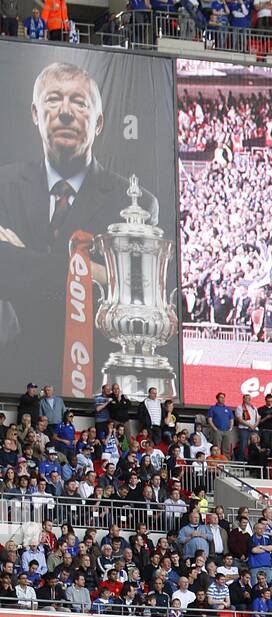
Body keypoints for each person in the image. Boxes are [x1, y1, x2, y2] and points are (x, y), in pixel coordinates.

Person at [0, 61, 159, 388]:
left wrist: (25, 258)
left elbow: (127, 294)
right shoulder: (3, 185)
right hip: (13, 371)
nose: (65, 112)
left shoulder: (134, 204)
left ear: (98, 123)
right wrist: (91, 272)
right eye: (53, 99)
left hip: (91, 376)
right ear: (35, 113)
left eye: (79, 102)